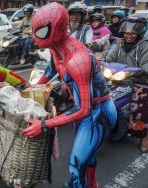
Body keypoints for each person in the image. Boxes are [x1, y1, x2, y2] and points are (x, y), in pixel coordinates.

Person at [23, 3, 117, 187]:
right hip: (86, 110)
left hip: (99, 111)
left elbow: (84, 109)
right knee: (87, 157)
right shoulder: (55, 47)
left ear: (56, 29)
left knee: (76, 164)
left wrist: (44, 125)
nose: (35, 38)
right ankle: (93, 184)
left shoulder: (78, 59)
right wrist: (28, 91)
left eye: (40, 32)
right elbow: (50, 71)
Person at [106, 16, 148, 146]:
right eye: (126, 33)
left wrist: (140, 70)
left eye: (132, 33)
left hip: (138, 81)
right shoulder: (119, 43)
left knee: (139, 110)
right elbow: (108, 58)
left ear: (139, 33)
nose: (128, 36)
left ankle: (144, 137)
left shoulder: (144, 45)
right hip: (120, 80)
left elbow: (146, 63)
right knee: (105, 99)